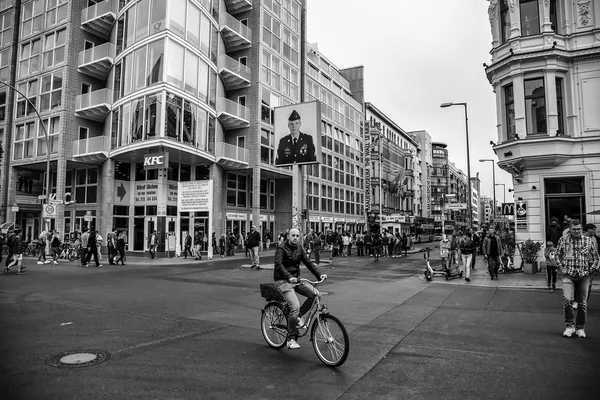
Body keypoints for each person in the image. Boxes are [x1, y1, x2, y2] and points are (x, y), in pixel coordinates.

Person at [273, 227, 327, 350]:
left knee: (316, 295)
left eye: (297, 236)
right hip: (282, 280)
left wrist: (319, 275)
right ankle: (291, 338)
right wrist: (288, 277)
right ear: (288, 236)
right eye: (293, 235)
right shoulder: (281, 249)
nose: (295, 238)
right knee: (295, 307)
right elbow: (279, 265)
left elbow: (308, 262)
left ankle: (298, 316)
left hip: (296, 279)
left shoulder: (299, 248)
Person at [553, 219, 599, 338]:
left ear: (582, 229)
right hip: (569, 275)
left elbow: (596, 258)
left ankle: (580, 328)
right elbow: (557, 256)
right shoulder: (563, 241)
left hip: (584, 276)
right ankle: (569, 326)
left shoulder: (588, 241)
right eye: (574, 229)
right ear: (570, 229)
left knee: (582, 303)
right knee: (567, 300)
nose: (576, 231)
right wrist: (562, 269)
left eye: (578, 229)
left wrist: (591, 270)